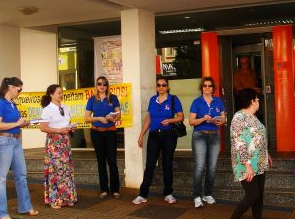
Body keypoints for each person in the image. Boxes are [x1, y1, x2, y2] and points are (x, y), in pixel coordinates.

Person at [223, 88, 272, 219]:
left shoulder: (254, 117)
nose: (258, 102)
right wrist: (248, 165)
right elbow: (240, 143)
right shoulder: (239, 118)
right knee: (253, 195)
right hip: (246, 164)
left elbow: (258, 138)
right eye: (257, 99)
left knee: (259, 197)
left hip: (260, 162)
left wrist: (266, 154)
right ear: (252, 101)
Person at [0, 77, 38, 219]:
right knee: (0, 178)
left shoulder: (12, 104)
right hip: (3, 142)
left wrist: (23, 124)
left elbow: (14, 124)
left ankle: (25, 207)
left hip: (15, 140)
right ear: (10, 87)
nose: (20, 92)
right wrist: (16, 123)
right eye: (19, 89)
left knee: (21, 175)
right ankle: (0, 213)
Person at [132, 76, 184, 205]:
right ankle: (143, 194)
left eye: (164, 85)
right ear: (156, 87)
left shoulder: (173, 99)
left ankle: (168, 193)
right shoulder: (152, 100)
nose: (161, 87)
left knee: (167, 164)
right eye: (159, 85)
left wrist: (170, 121)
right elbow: (149, 119)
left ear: (168, 87)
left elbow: (181, 117)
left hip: (168, 135)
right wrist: (141, 135)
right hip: (154, 135)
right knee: (149, 165)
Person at [189, 76, 226, 208]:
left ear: (213, 88)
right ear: (202, 88)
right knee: (200, 167)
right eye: (205, 86)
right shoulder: (196, 102)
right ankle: (197, 196)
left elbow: (224, 119)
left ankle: (207, 194)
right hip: (200, 136)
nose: (207, 88)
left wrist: (219, 121)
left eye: (209, 86)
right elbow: (191, 121)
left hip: (214, 136)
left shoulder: (218, 101)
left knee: (212, 167)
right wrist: (203, 119)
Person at [40, 84, 78, 209]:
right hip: (54, 143)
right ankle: (55, 199)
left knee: (66, 169)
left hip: (65, 141)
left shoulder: (66, 108)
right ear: (51, 94)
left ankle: (67, 198)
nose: (61, 95)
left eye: (62, 93)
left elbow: (68, 123)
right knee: (56, 170)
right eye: (58, 93)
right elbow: (43, 127)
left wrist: (72, 128)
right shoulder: (47, 109)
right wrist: (59, 130)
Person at [84, 76, 122, 199]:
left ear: (107, 86)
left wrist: (113, 118)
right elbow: (87, 118)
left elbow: (119, 115)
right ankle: (104, 189)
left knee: (112, 161)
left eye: (104, 84)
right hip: (96, 132)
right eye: (99, 84)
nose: (102, 86)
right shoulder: (92, 100)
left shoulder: (113, 98)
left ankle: (115, 190)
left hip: (110, 132)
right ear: (96, 85)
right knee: (101, 161)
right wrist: (98, 118)